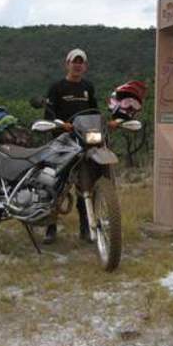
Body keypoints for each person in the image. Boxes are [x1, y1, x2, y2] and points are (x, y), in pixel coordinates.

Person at [42, 48, 97, 244]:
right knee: (56, 184)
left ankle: (86, 229)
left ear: (85, 66)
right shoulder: (56, 87)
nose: (78, 65)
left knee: (85, 186)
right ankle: (50, 228)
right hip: (61, 142)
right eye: (74, 61)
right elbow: (48, 114)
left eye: (81, 62)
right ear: (67, 64)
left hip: (84, 142)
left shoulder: (88, 87)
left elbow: (94, 112)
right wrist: (60, 124)